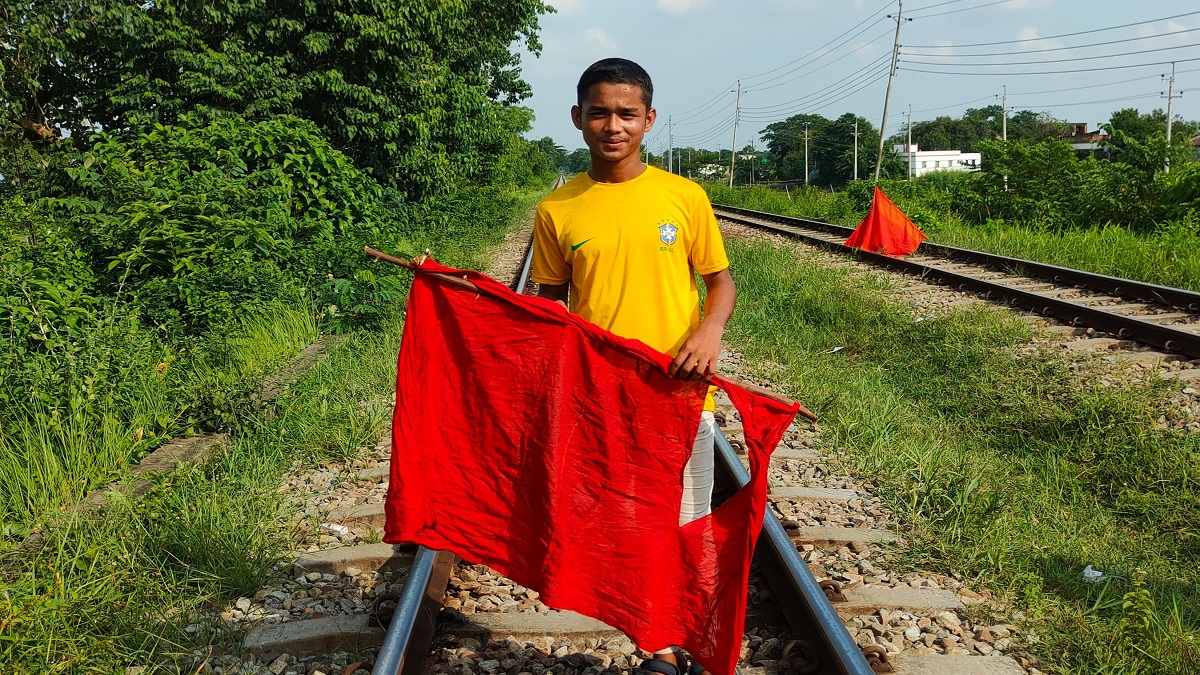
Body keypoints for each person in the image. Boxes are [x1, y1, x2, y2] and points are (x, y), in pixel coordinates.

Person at [530, 57, 736, 675]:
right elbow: (548, 307)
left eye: (625, 113)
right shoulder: (558, 210)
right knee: (622, 520)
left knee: (685, 516)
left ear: (648, 120)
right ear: (577, 119)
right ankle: (655, 642)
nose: (611, 125)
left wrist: (709, 330)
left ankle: (687, 635)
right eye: (599, 112)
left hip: (679, 391)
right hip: (603, 396)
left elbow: (721, 285)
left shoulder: (684, 197)